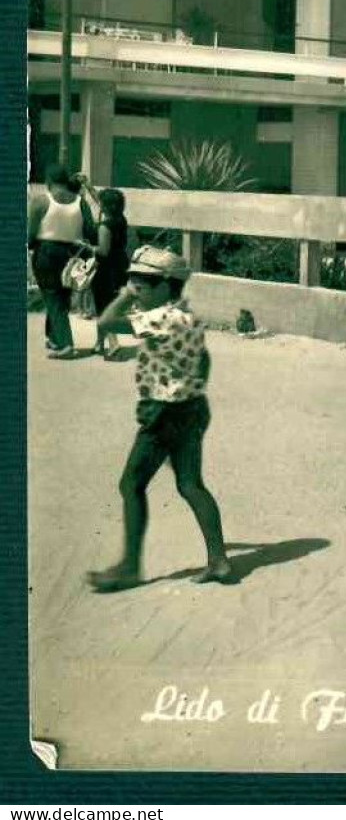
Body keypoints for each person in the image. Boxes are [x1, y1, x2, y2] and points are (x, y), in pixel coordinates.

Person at [86, 246, 233, 592]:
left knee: (131, 484)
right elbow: (203, 360)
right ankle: (219, 560)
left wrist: (123, 296)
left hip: (163, 414)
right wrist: (173, 375)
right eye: (134, 282)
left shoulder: (159, 318)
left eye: (146, 284)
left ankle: (129, 567)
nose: (138, 289)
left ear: (168, 286)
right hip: (192, 409)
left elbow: (105, 322)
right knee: (190, 484)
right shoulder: (187, 318)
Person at [28, 163, 94, 358]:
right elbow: (90, 231)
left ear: (49, 182)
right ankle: (54, 338)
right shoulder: (81, 202)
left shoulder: (41, 201)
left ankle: (67, 344)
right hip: (72, 253)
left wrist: (32, 249)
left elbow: (31, 233)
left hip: (46, 252)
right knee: (61, 297)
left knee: (52, 296)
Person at [81, 182, 132, 358]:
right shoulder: (120, 219)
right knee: (108, 303)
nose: (99, 204)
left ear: (106, 206)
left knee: (103, 306)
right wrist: (88, 186)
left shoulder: (105, 226)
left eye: (101, 203)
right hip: (120, 266)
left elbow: (103, 250)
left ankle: (113, 343)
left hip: (105, 270)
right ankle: (99, 343)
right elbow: (100, 200)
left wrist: (86, 246)